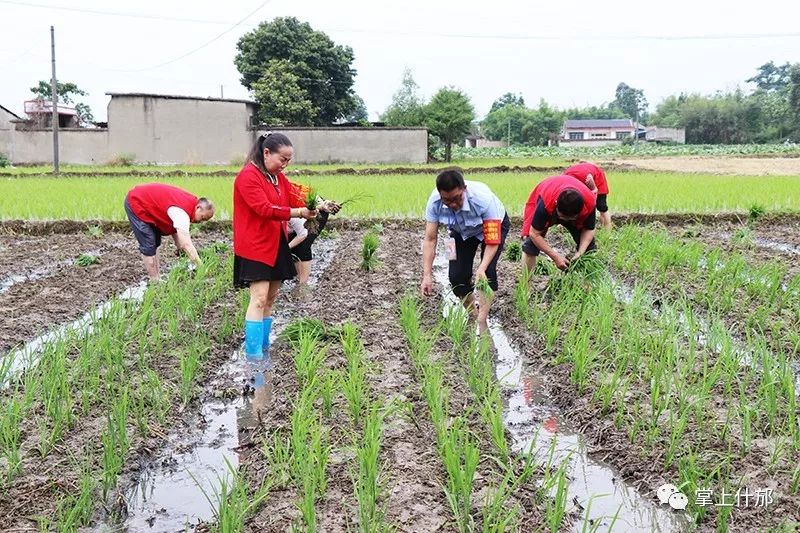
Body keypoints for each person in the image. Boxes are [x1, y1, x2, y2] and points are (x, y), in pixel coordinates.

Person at [233, 133, 317, 361]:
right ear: (266, 153)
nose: (285, 165)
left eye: (289, 160)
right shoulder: (248, 177)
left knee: (270, 298)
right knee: (259, 298)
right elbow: (264, 209)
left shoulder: (277, 178)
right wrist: (299, 212)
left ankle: (263, 347)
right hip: (255, 244)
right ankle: (253, 355)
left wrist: (319, 203)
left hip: (276, 242)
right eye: (283, 159)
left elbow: (295, 196)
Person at [421, 169, 509, 334]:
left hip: (492, 228)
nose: (453, 205)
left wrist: (481, 268)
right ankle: (472, 313)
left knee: (487, 273)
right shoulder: (434, 203)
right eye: (447, 200)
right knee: (456, 277)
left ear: (464, 189)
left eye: (457, 198)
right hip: (458, 232)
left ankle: (482, 320)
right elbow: (430, 239)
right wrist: (427, 274)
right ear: (440, 195)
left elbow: (492, 241)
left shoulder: (483, 200)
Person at [123, 183, 215, 282]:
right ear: (198, 207)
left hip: (149, 204)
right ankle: (154, 281)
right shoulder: (182, 214)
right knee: (149, 243)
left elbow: (176, 232)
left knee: (156, 241)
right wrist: (201, 266)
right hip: (137, 202)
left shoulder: (190, 204)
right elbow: (186, 244)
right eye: (202, 218)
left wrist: (180, 248)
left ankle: (157, 278)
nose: (200, 222)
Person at [521, 174, 597, 275]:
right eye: (562, 217)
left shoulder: (590, 202)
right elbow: (534, 234)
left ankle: (587, 286)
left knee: (589, 248)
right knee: (530, 245)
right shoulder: (546, 202)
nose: (565, 220)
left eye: (570, 218)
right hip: (549, 190)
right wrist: (555, 257)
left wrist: (580, 253)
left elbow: (589, 229)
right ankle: (526, 286)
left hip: (572, 205)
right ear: (556, 204)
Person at [287, 193, 341, 285]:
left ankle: (303, 285)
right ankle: (297, 277)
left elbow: (302, 234)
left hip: (319, 210)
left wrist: (286, 248)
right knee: (292, 244)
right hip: (298, 213)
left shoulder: (291, 215)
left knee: (303, 245)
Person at [563, 162, 612, 229]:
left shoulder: (586, 179)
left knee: (601, 206)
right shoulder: (564, 182)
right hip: (579, 177)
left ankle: (608, 228)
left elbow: (593, 195)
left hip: (596, 177)